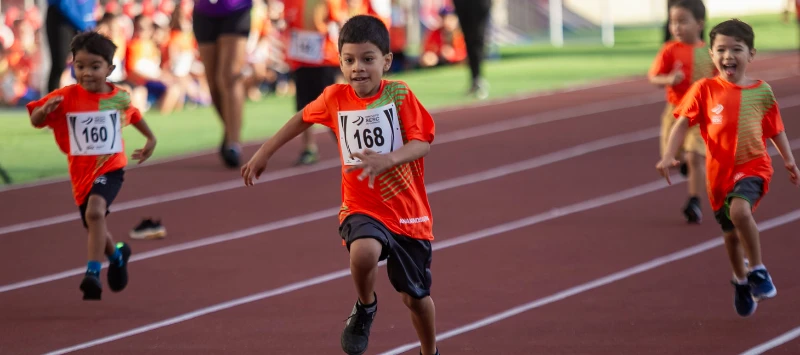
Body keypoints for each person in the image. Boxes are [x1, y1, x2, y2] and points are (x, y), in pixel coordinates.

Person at [241, 14, 440, 355]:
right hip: (362, 205)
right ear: (340, 62)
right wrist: (264, 152)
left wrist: (388, 159)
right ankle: (366, 305)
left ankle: (429, 350)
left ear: (386, 61)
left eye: (367, 59)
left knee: (415, 299)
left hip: (407, 213)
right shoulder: (335, 97)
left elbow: (422, 142)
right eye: (349, 60)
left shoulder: (399, 95)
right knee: (363, 252)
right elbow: (302, 118)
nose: (357, 68)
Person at [656, 19, 800, 317]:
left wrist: (788, 159)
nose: (728, 56)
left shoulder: (762, 92)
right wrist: (670, 154)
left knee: (740, 211)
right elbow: (682, 121)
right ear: (711, 54)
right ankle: (740, 280)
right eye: (721, 49)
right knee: (731, 236)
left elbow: (775, 129)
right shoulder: (704, 89)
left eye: (737, 49)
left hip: (753, 165)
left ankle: (758, 270)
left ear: (751, 54)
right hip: (718, 174)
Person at [26, 31, 158, 301]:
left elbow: (133, 115)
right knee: (93, 224)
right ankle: (118, 256)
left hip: (110, 168)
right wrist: (44, 111)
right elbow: (36, 121)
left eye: (94, 67)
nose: (86, 73)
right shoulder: (65, 96)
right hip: (80, 173)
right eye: (80, 66)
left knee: (96, 214)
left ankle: (92, 274)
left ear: (110, 68)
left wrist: (150, 138)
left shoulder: (118, 97)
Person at [648, 0, 715, 224]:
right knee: (673, 157)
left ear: (699, 24)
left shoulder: (709, 52)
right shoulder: (669, 50)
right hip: (674, 114)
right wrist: (669, 79)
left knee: (696, 156)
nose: (676, 27)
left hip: (699, 116)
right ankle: (683, 160)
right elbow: (653, 77)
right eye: (673, 22)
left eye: (682, 22)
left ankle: (694, 201)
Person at [282, 0, 343, 166]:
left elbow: (338, 20)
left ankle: (349, 145)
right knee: (304, 106)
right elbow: (286, 21)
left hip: (323, 57)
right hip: (301, 59)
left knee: (330, 106)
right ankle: (309, 147)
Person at [193, 0, 252, 168]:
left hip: (236, 9)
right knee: (213, 82)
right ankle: (230, 128)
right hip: (204, 11)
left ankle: (234, 143)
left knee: (228, 76)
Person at [45, 0, 97, 93]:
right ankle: (52, 103)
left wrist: (89, 21)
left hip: (83, 17)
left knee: (87, 63)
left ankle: (85, 100)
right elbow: (63, 4)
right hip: (61, 18)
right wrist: (82, 23)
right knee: (59, 65)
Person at [452, 0, 491, 99]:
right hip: (463, 3)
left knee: (477, 38)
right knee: (468, 40)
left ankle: (478, 79)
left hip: (478, 3)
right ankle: (475, 79)